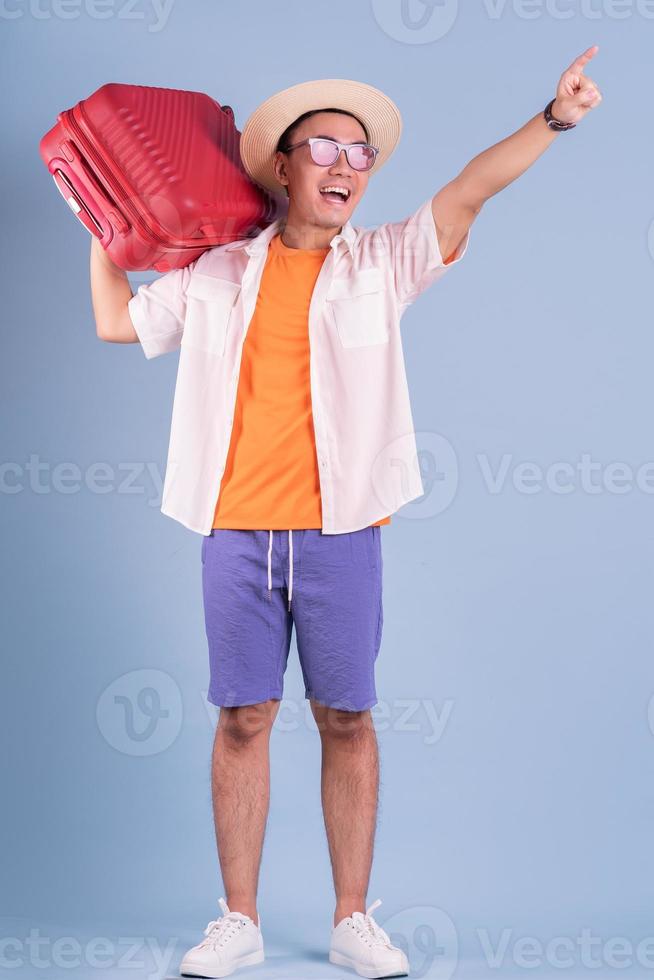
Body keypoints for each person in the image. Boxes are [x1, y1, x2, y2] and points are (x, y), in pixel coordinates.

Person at [90, 55, 601, 980]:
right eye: (323, 144)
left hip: (343, 535)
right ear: (282, 166)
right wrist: (103, 217)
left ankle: (352, 918)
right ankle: (236, 921)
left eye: (360, 152)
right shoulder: (216, 271)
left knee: (348, 719)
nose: (345, 161)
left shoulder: (383, 264)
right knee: (241, 719)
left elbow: (470, 192)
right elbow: (118, 325)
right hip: (234, 533)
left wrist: (554, 119)